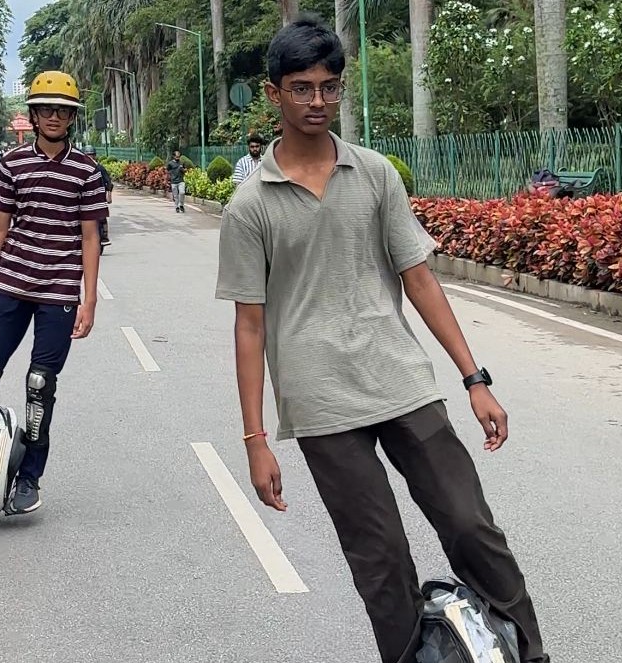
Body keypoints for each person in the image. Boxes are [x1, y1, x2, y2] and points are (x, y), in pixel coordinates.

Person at [213, 14, 550, 663]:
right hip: (322, 405)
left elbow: (418, 278)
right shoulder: (250, 206)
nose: (317, 101)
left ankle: (530, 654)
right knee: (381, 560)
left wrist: (474, 378)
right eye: (302, 88)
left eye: (328, 87)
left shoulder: (373, 174)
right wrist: (255, 440)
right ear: (274, 93)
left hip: (401, 381)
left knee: (470, 525)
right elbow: (248, 325)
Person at [0, 70, 108, 515]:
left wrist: (89, 300)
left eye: (62, 111)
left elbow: (90, 237)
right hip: (11, 284)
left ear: (71, 118)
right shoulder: (12, 165)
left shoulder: (87, 171)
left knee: (40, 385)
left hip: (59, 291)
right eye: (46, 109)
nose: (54, 117)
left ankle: (30, 477)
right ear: (32, 115)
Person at [84, 146, 113, 247]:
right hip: (85, 199)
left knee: (102, 217)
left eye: (91, 155)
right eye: (87, 155)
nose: (90, 157)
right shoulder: (80, 169)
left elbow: (108, 181)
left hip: (99, 198)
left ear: (95, 156)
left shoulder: (99, 168)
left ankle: (104, 236)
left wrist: (109, 194)